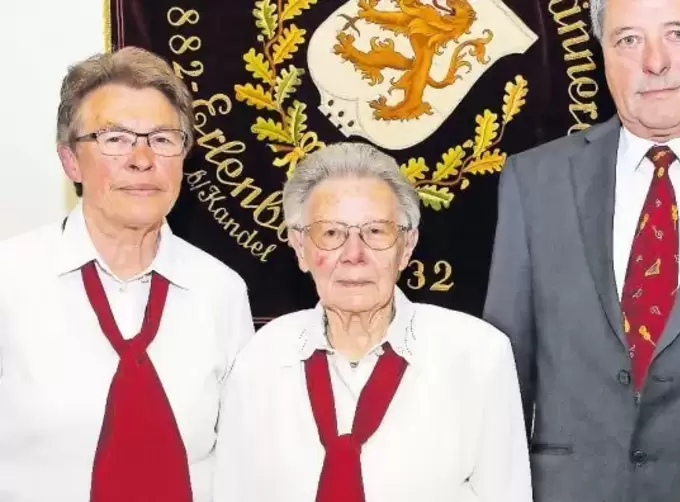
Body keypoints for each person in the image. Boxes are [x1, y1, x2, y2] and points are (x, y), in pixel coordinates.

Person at [482, 0, 680, 500]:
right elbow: (504, 371)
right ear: (603, 53)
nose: (653, 62)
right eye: (628, 40)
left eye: (677, 34)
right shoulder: (536, 179)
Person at [0, 47, 254, 502]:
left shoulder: (222, 292)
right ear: (70, 160)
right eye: (115, 138)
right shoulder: (9, 280)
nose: (142, 159)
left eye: (162, 138)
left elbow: (244, 461)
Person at [213, 142, 531, 502]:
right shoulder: (261, 359)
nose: (354, 255)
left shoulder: (479, 356)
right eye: (331, 233)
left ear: (406, 246)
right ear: (300, 248)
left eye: (376, 232)